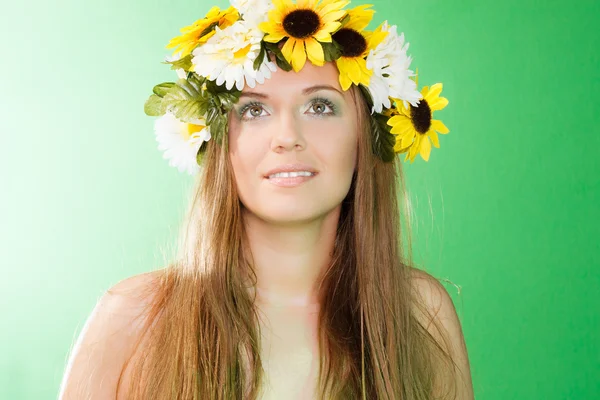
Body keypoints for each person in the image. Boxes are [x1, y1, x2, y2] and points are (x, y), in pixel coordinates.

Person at [59, 0, 474, 399]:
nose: (288, 136)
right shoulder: (130, 317)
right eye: (254, 111)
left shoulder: (420, 314)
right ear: (218, 142)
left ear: (366, 137)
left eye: (319, 106)